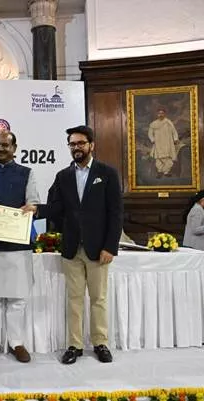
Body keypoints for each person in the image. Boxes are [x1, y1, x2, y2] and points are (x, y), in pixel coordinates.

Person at [23, 125, 123, 365]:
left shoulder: (107, 173)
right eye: (72, 144)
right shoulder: (63, 176)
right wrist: (36, 210)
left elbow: (116, 213)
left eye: (81, 143)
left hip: (98, 249)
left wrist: (110, 246)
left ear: (91, 145)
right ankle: (74, 345)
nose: (76, 147)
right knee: (74, 299)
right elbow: (58, 207)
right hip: (71, 248)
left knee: (98, 299)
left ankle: (100, 343)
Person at [0, 130, 39, 364]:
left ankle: (16, 343)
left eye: (5, 145)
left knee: (17, 298)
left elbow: (33, 202)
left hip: (17, 244)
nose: (0, 149)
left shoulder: (27, 173)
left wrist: (31, 208)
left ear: (14, 148)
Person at [148, 108, 179, 178]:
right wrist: (152, 139)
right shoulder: (153, 124)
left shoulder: (168, 122)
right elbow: (150, 133)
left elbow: (174, 131)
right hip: (158, 143)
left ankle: (166, 172)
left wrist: (175, 139)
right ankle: (160, 171)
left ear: (164, 114)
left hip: (167, 142)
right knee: (159, 159)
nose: (161, 115)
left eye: (162, 113)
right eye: (159, 113)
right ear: (157, 114)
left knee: (168, 158)